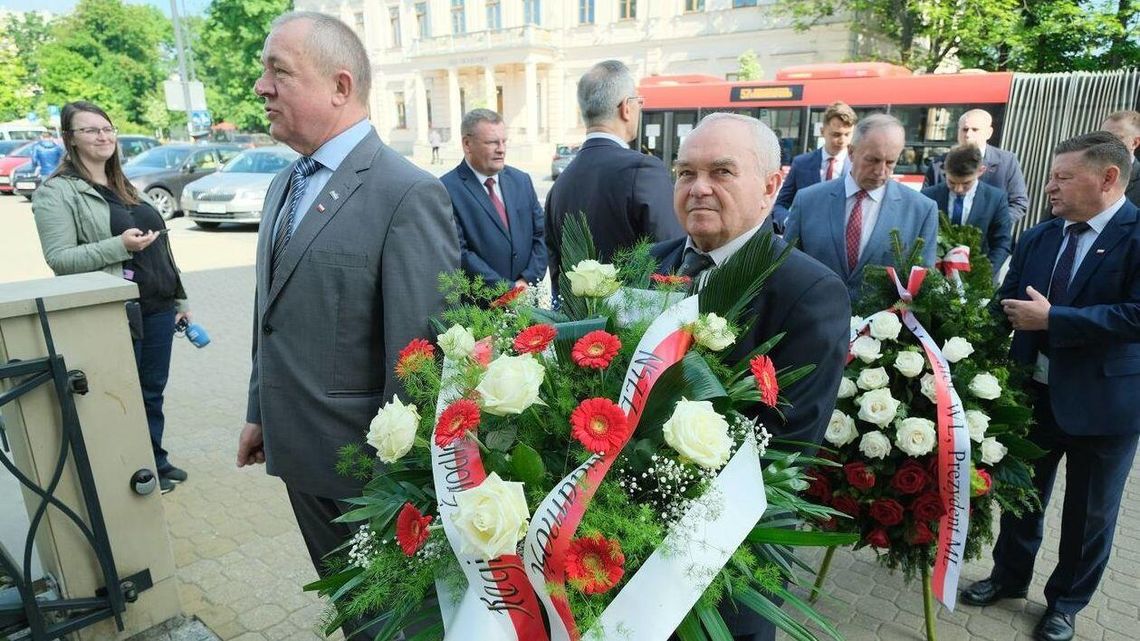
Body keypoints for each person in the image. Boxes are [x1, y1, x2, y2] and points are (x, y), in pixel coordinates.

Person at [235, 12, 459, 638]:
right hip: (295, 452)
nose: (261, 87)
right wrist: (260, 412)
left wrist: (400, 491)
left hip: (363, 479)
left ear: (339, 85)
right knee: (354, 613)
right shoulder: (285, 181)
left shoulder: (406, 193)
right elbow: (269, 316)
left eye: (278, 71)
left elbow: (417, 361)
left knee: (390, 623)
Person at [654, 112, 850, 641]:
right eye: (684, 173)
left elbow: (785, 448)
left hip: (731, 567)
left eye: (721, 172)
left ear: (770, 186)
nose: (698, 188)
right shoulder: (645, 266)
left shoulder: (809, 293)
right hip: (622, 548)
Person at [961, 132, 1140, 641]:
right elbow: (1010, 305)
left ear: (1108, 179)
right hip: (1031, 397)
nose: (1049, 187)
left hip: (1104, 406)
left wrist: (1055, 319)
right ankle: (1008, 577)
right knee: (1022, 497)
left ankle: (1065, 604)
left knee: (1090, 515)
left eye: (1063, 177)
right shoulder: (1042, 235)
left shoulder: (1136, 234)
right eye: (1051, 177)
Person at [31, 101, 191, 494]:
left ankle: (154, 460)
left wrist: (181, 301)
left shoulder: (124, 184)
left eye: (107, 128)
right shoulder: (57, 192)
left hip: (157, 307)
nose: (103, 136)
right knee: (122, 396)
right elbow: (60, 259)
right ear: (69, 139)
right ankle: (130, 474)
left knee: (151, 392)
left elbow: (161, 249)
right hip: (118, 311)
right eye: (90, 130)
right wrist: (117, 246)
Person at [545, 59, 683, 296]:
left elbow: (559, 279)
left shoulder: (560, 185)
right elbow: (675, 260)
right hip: (639, 327)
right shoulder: (644, 170)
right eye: (639, 102)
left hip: (579, 330)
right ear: (626, 108)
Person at [784, 113, 938, 300]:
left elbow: (922, 287)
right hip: (813, 322)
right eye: (872, 160)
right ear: (851, 152)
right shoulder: (807, 201)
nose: (880, 171)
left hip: (883, 325)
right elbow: (786, 269)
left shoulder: (921, 211)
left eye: (890, 162)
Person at [441, 109, 546, 289]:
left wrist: (527, 280)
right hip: (481, 309)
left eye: (504, 141)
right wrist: (508, 290)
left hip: (528, 302)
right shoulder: (445, 189)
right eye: (492, 142)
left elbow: (541, 235)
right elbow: (459, 252)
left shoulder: (521, 181)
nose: (501, 149)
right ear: (467, 144)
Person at [924, 109, 1030, 223]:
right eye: (964, 129)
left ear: (989, 133)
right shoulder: (937, 164)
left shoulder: (1007, 161)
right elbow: (924, 202)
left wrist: (994, 225)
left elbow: (1019, 202)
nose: (968, 135)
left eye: (975, 130)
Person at [921, 144, 1013, 274]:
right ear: (945, 170)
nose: (958, 189)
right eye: (952, 182)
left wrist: (984, 275)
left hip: (976, 276)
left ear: (981, 170)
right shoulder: (928, 196)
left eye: (966, 183)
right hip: (933, 275)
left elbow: (1002, 243)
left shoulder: (995, 199)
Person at [773, 101, 856, 227]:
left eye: (847, 134)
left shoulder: (857, 166)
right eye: (836, 134)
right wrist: (788, 222)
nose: (842, 140)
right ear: (822, 131)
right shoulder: (801, 164)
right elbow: (780, 205)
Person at [1100, 110, 1140, 206]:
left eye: (1116, 138)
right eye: (1102, 137)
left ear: (1135, 143)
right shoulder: (1085, 172)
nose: (1106, 143)